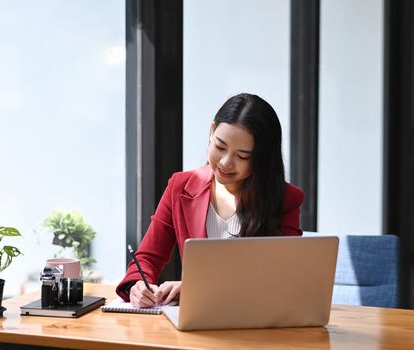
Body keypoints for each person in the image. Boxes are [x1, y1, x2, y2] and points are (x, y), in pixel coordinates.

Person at [116, 93, 304, 308]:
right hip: (197, 325)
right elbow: (148, 257)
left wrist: (195, 289)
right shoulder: (180, 187)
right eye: (220, 147)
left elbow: (283, 278)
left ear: (262, 159)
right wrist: (139, 285)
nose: (225, 163)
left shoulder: (285, 199)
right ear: (212, 130)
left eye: (242, 156)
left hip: (256, 325)